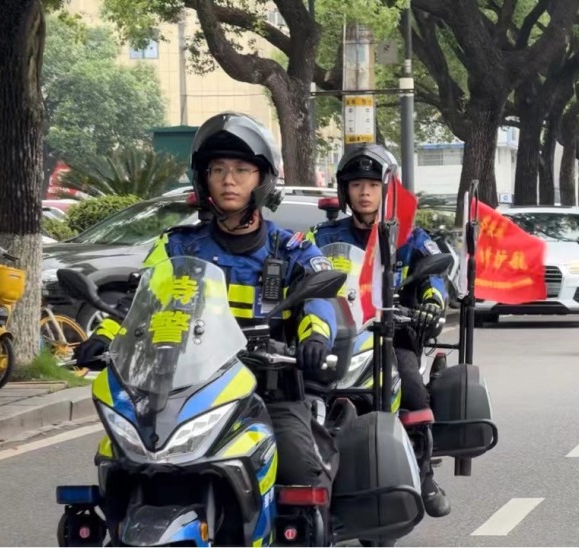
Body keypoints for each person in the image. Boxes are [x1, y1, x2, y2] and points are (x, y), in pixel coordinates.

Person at [74, 112, 340, 517]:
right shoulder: (176, 246)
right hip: (181, 390)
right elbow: (137, 305)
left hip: (267, 386)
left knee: (299, 469)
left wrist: (315, 337)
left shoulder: (292, 248)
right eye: (218, 169)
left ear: (261, 179)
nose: (229, 180)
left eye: (241, 169)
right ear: (204, 178)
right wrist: (106, 336)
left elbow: (319, 299)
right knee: (119, 458)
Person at [306, 142, 452, 518]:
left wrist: (432, 303)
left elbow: (435, 273)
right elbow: (301, 274)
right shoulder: (320, 237)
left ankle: (423, 475)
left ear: (387, 191)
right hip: (336, 332)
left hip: (391, 332)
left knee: (411, 385)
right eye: (356, 184)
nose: (365, 192)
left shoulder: (408, 237)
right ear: (345, 191)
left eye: (373, 184)